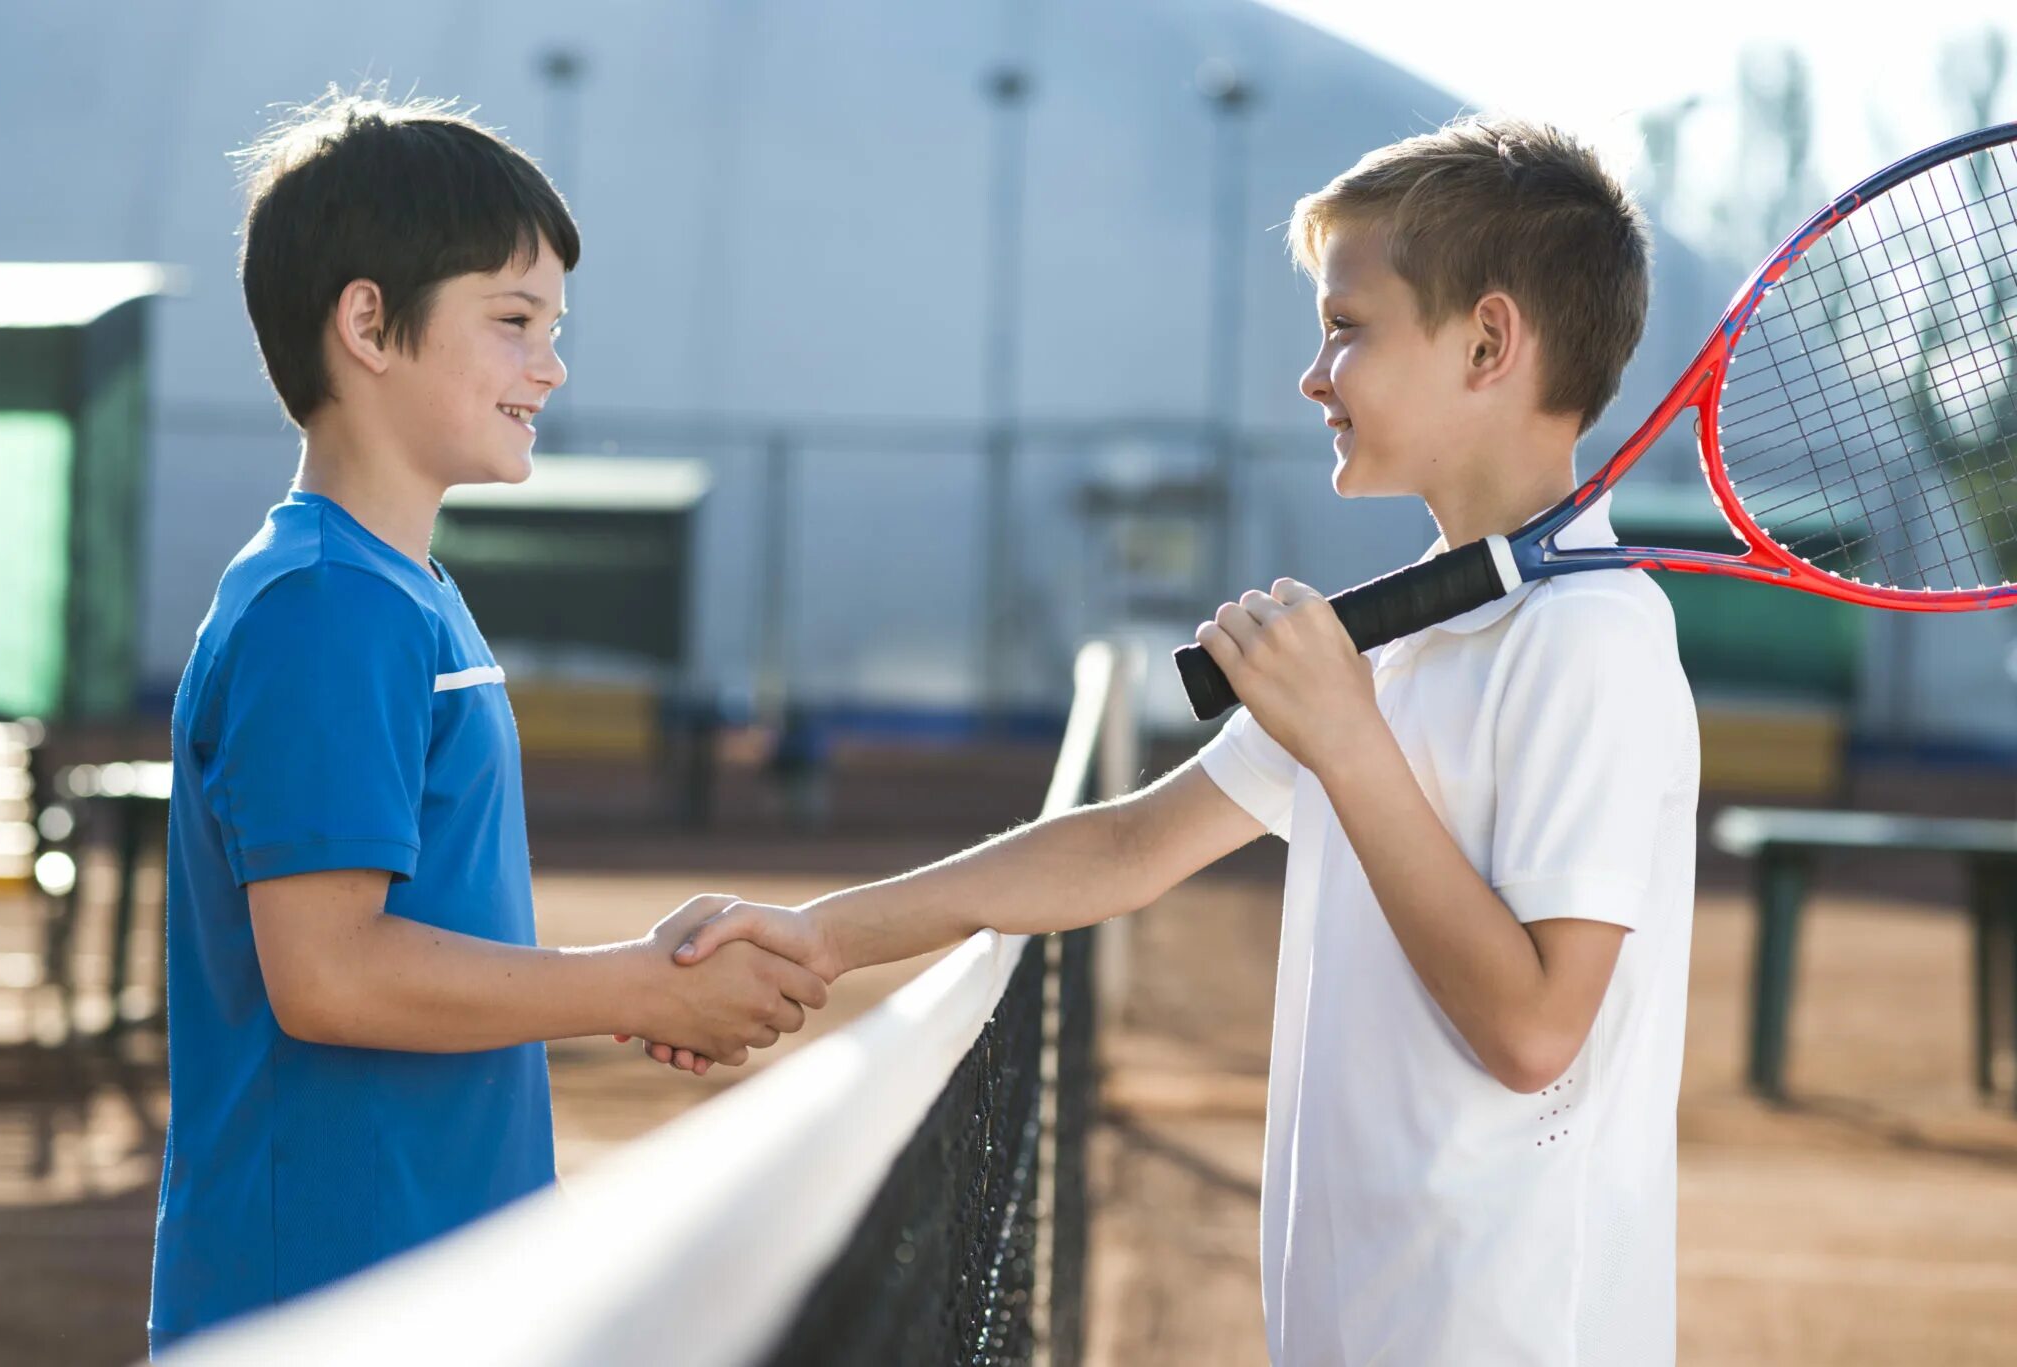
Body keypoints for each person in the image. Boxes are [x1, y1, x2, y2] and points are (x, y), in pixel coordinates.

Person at [663, 116, 1699, 1365]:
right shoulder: (1413, 628)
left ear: (1487, 340)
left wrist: (1344, 742)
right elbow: (1129, 844)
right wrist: (826, 935)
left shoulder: (1591, 637)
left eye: (1346, 327)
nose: (1314, 375)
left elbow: (1533, 1032)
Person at [148, 89, 827, 1353]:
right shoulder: (325, 605)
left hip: (437, 1279)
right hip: (333, 1301)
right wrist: (635, 985)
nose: (551, 366)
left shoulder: (397, 591)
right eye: (512, 321)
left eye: (552, 327)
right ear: (368, 324)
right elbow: (330, 972)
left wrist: (636, 976)